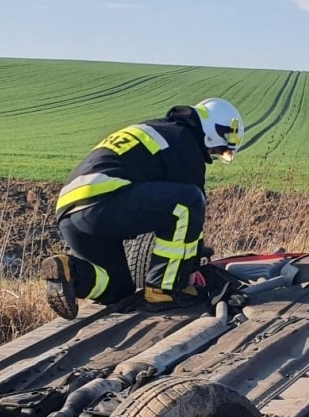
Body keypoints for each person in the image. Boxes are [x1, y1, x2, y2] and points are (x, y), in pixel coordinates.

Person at [42, 98, 244, 319]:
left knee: (118, 288)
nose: (215, 154)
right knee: (189, 201)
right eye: (219, 149)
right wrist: (191, 266)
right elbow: (192, 211)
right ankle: (163, 290)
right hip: (104, 201)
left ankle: (70, 271)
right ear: (213, 132)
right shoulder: (185, 142)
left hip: (69, 210)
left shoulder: (161, 130)